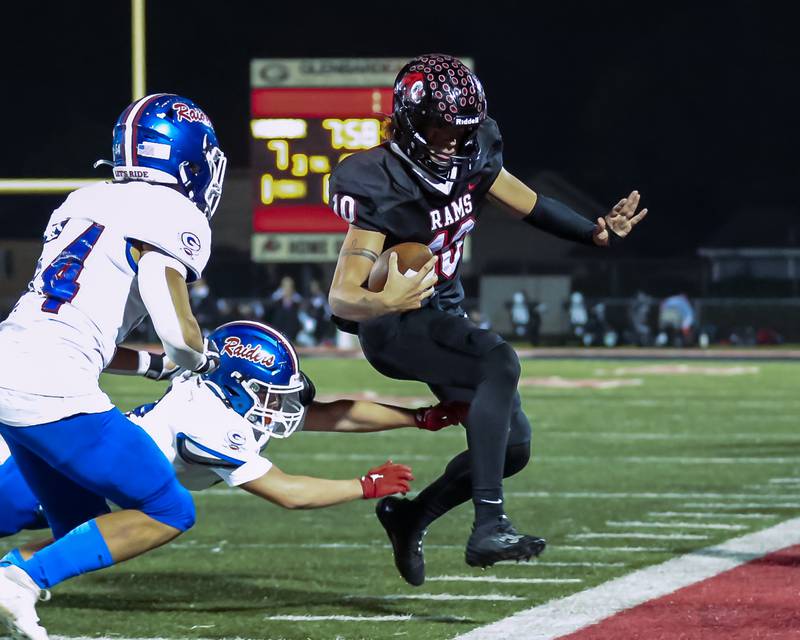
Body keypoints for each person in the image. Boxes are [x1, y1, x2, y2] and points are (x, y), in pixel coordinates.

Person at [327, 54, 648, 584]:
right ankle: (489, 523)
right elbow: (343, 297)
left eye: (462, 128)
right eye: (439, 127)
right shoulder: (377, 178)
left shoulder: (478, 153)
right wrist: (386, 303)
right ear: (408, 122)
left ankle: (411, 519)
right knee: (497, 358)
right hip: (394, 320)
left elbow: (528, 202)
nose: (453, 140)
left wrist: (593, 233)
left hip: (442, 307)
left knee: (512, 447)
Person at [0, 93, 227, 640]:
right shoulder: (175, 214)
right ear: (190, 161)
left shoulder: (83, 199)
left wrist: (153, 366)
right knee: (167, 508)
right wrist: (195, 356)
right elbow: (173, 323)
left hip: (11, 360)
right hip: (49, 388)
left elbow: (77, 318)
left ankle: (16, 575)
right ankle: (17, 582)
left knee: (81, 529)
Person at [0, 321, 466, 549]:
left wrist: (418, 417)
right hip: (35, 473)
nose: (277, 405)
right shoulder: (209, 420)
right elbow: (286, 492)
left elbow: (332, 414)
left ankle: (17, 573)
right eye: (267, 393)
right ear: (237, 387)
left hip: (78, 472)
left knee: (79, 534)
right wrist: (362, 486)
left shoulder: (225, 399)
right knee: (72, 530)